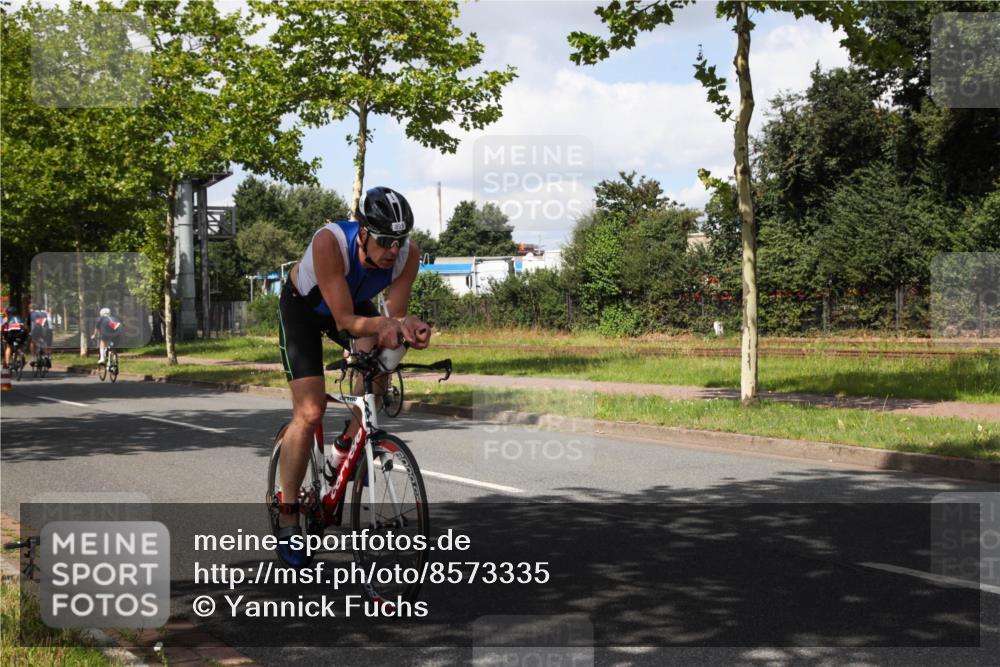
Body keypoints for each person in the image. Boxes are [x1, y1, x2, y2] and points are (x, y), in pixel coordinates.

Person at [276, 186, 432, 564]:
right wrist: (385, 324)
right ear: (362, 231)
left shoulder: (406, 254)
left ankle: (346, 445)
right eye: (385, 241)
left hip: (352, 308)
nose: (394, 249)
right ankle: (288, 516)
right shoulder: (330, 242)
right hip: (305, 311)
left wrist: (406, 326)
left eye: (400, 240)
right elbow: (345, 320)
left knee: (388, 351)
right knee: (310, 411)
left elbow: (393, 313)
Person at [2, 305, 27, 369]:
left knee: (8, 346)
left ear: (8, 312)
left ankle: (7, 363)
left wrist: (3, 335)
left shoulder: (7, 318)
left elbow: (4, 328)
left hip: (12, 332)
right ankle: (21, 355)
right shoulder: (19, 317)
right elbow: (24, 326)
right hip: (22, 332)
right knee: (20, 344)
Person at [28, 302, 53, 367]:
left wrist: (29, 332)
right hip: (48, 330)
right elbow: (50, 323)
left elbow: (29, 324)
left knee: (32, 342)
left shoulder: (32, 313)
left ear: (33, 308)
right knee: (47, 343)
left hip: (37, 330)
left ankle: (33, 358)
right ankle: (48, 357)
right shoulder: (46, 313)